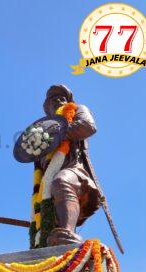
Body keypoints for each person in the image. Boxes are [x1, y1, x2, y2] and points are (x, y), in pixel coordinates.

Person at [40, 84, 100, 245]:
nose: (59, 100)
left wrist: (56, 136)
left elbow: (88, 126)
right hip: (47, 176)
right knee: (47, 208)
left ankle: (67, 233)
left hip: (74, 166)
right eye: (54, 99)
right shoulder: (42, 129)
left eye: (63, 97)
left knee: (62, 182)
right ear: (48, 107)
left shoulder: (78, 109)